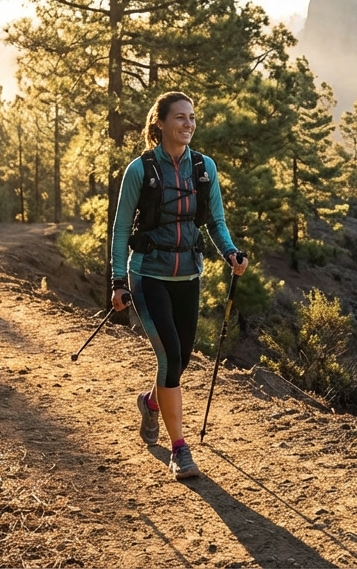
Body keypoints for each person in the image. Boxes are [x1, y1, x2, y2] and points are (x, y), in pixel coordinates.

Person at [111, 91, 247, 480]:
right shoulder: (140, 170)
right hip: (148, 275)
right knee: (170, 356)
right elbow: (121, 229)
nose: (188, 124)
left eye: (192, 117)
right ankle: (179, 450)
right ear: (160, 123)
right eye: (180, 117)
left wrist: (231, 252)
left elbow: (215, 221)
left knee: (181, 360)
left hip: (188, 275)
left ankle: (151, 403)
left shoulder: (204, 167)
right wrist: (118, 281)